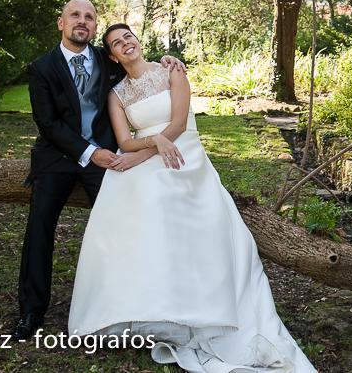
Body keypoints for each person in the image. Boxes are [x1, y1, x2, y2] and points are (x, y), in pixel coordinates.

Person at [67, 23, 317, 372]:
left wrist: (150, 149)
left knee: (165, 198)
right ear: (112, 55)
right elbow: (124, 142)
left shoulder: (171, 71)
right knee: (126, 196)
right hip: (155, 150)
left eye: (129, 37)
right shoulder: (117, 94)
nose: (126, 44)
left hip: (185, 153)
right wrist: (152, 144)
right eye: (116, 43)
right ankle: (139, 301)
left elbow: (179, 124)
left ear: (137, 40)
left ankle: (197, 305)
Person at [12, 0, 184, 341]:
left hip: (108, 154)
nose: (82, 21)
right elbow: (47, 124)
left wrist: (166, 60)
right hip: (58, 158)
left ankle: (129, 301)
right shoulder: (42, 68)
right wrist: (91, 153)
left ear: (94, 27)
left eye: (89, 17)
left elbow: (139, 69)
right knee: (39, 226)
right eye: (75, 15)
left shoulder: (109, 63)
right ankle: (31, 311)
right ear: (61, 23)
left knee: (121, 221)